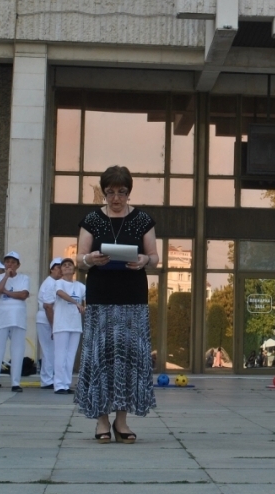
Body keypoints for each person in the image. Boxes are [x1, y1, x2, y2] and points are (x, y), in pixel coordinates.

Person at [75, 165, 160, 444]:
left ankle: (121, 421)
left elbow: (154, 257)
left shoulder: (142, 219)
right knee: (100, 355)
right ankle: (101, 420)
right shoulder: (92, 219)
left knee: (127, 357)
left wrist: (144, 260)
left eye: (121, 192)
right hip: (101, 296)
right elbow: (79, 259)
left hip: (132, 297)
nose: (116, 198)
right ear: (104, 192)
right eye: (110, 192)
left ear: (129, 192)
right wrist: (90, 259)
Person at [0, 251, 30, 393]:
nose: (10, 264)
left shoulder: (24, 278)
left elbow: (23, 295)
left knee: (17, 350)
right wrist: (6, 276)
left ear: (18, 265)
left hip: (18, 318)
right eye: (7, 262)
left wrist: (6, 292)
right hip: (2, 318)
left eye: (13, 262)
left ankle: (15, 383)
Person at [50, 257, 85, 395]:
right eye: (64, 265)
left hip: (75, 324)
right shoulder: (58, 283)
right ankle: (58, 384)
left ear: (74, 269)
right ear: (61, 270)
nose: (67, 267)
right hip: (61, 324)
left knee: (70, 356)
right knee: (61, 354)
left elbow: (87, 299)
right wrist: (76, 303)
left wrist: (85, 307)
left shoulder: (80, 286)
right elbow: (60, 293)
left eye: (70, 265)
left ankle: (66, 384)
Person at [36, 258, 62, 390]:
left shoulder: (56, 283)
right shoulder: (50, 284)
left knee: (52, 350)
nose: (60, 270)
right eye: (58, 268)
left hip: (51, 317)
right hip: (46, 318)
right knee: (48, 350)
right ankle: (47, 380)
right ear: (52, 269)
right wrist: (53, 326)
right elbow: (48, 306)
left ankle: (50, 377)